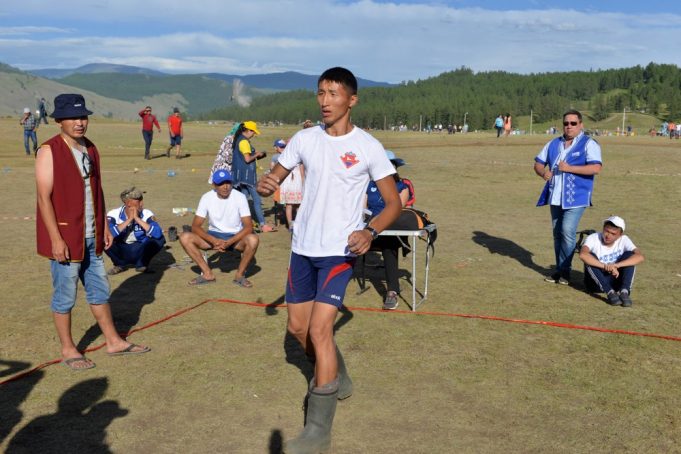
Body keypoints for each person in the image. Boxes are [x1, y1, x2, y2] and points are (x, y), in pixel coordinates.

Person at [257, 67, 401, 454]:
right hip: (303, 247)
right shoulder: (304, 139)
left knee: (321, 331)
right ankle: (337, 373)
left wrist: (369, 232)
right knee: (297, 330)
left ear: (351, 100)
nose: (324, 101)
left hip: (341, 250)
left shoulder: (368, 146)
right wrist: (265, 183)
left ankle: (317, 432)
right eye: (320, 92)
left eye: (333, 94)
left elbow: (393, 203)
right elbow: (273, 176)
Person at [35, 94, 150, 371]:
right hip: (66, 235)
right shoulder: (49, 150)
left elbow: (94, 190)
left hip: (92, 233)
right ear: (60, 120)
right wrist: (55, 238)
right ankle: (68, 349)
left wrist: (105, 226)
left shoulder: (90, 148)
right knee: (65, 294)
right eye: (73, 117)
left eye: (83, 117)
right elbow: (43, 198)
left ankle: (113, 341)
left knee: (99, 290)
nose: (80, 122)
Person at [534, 109, 602, 285]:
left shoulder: (589, 144)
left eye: (573, 123)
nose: (569, 126)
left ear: (581, 125)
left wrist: (569, 168)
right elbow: (538, 163)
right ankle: (559, 270)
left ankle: (566, 270)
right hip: (555, 196)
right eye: (566, 123)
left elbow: (595, 168)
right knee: (557, 234)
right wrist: (543, 173)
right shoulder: (552, 143)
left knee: (567, 231)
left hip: (577, 197)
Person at [179, 169, 260, 287]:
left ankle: (239, 275)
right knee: (184, 237)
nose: (225, 186)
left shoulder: (240, 197)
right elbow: (195, 227)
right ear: (214, 185)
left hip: (235, 238)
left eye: (228, 182)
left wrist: (229, 242)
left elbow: (248, 227)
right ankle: (207, 274)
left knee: (253, 239)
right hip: (213, 235)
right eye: (221, 183)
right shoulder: (206, 197)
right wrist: (214, 241)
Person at [365, 150, 411, 310]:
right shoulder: (369, 185)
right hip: (368, 226)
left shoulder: (402, 187)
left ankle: (392, 291)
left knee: (389, 245)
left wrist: (378, 222)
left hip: (389, 227)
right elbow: (362, 208)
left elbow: (398, 209)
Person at [579, 216, 644, 307]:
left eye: (613, 234)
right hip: (595, 282)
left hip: (615, 281)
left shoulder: (624, 239)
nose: (608, 236)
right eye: (606, 231)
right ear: (603, 229)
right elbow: (583, 255)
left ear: (620, 235)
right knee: (590, 258)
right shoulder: (593, 238)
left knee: (630, 256)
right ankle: (609, 292)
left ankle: (624, 291)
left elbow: (639, 257)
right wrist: (605, 266)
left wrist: (616, 265)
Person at [105, 187, 166, 275]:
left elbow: (158, 233)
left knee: (160, 240)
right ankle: (119, 265)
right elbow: (108, 234)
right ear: (128, 203)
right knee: (101, 239)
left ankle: (141, 264)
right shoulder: (113, 214)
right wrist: (129, 220)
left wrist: (137, 219)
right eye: (139, 200)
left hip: (139, 248)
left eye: (142, 200)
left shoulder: (146, 213)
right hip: (121, 248)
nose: (142, 203)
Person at [231, 121, 276, 232]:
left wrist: (257, 155)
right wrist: (257, 154)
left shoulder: (240, 140)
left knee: (242, 199)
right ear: (248, 130)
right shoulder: (244, 142)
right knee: (256, 199)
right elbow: (247, 159)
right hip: (247, 177)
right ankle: (263, 225)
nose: (254, 134)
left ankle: (237, 222)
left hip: (240, 176)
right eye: (253, 132)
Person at [276, 139, 305, 232]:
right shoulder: (286, 157)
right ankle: (291, 224)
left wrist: (303, 182)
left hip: (295, 182)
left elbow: (302, 171)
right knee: (291, 204)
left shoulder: (298, 157)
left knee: (296, 204)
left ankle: (296, 223)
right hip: (289, 182)